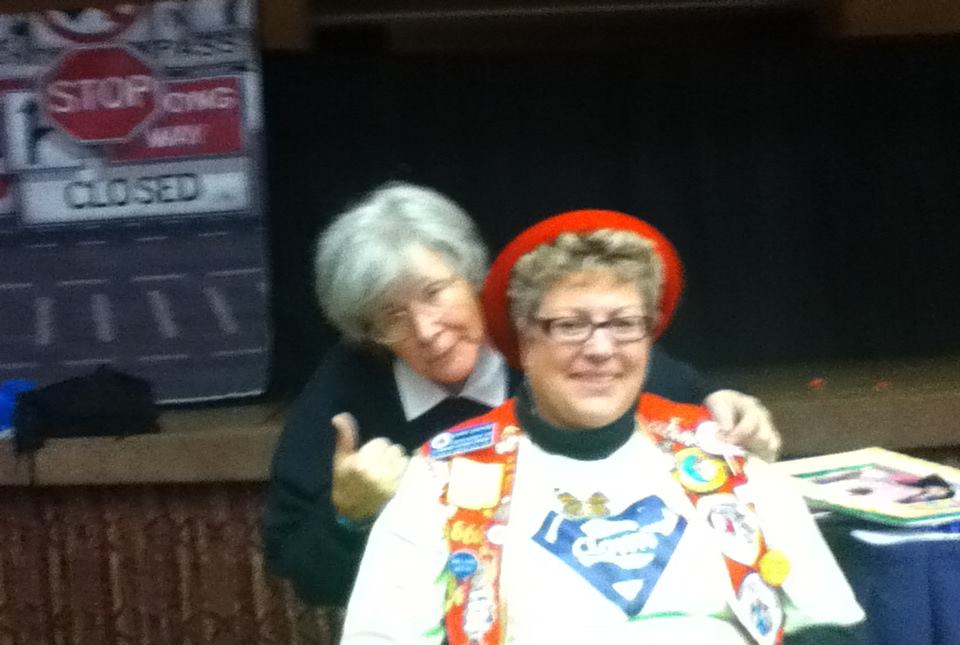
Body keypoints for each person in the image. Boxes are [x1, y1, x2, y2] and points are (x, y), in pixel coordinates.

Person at [340, 210, 865, 645]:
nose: (600, 348)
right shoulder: (445, 476)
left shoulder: (723, 456)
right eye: (569, 325)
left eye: (624, 323)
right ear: (524, 341)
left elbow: (829, 627)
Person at [262, 183, 781, 607]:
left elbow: (670, 388)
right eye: (390, 316)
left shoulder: (543, 331)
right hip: (439, 638)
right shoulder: (348, 386)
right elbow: (310, 581)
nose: (426, 330)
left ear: (473, 276)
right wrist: (349, 517)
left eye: (434, 293)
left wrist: (725, 405)